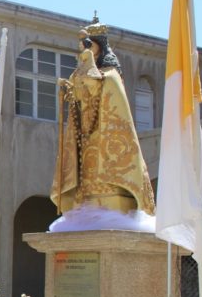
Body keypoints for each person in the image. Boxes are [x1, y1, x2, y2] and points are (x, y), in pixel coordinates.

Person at [51, 17, 155, 216]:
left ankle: (113, 190)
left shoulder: (110, 74)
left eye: (87, 46)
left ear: (98, 46)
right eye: (81, 47)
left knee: (104, 162)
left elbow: (106, 89)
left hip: (104, 128)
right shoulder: (82, 70)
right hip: (86, 131)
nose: (83, 50)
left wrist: (89, 77)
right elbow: (80, 94)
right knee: (86, 165)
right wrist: (69, 90)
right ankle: (86, 193)